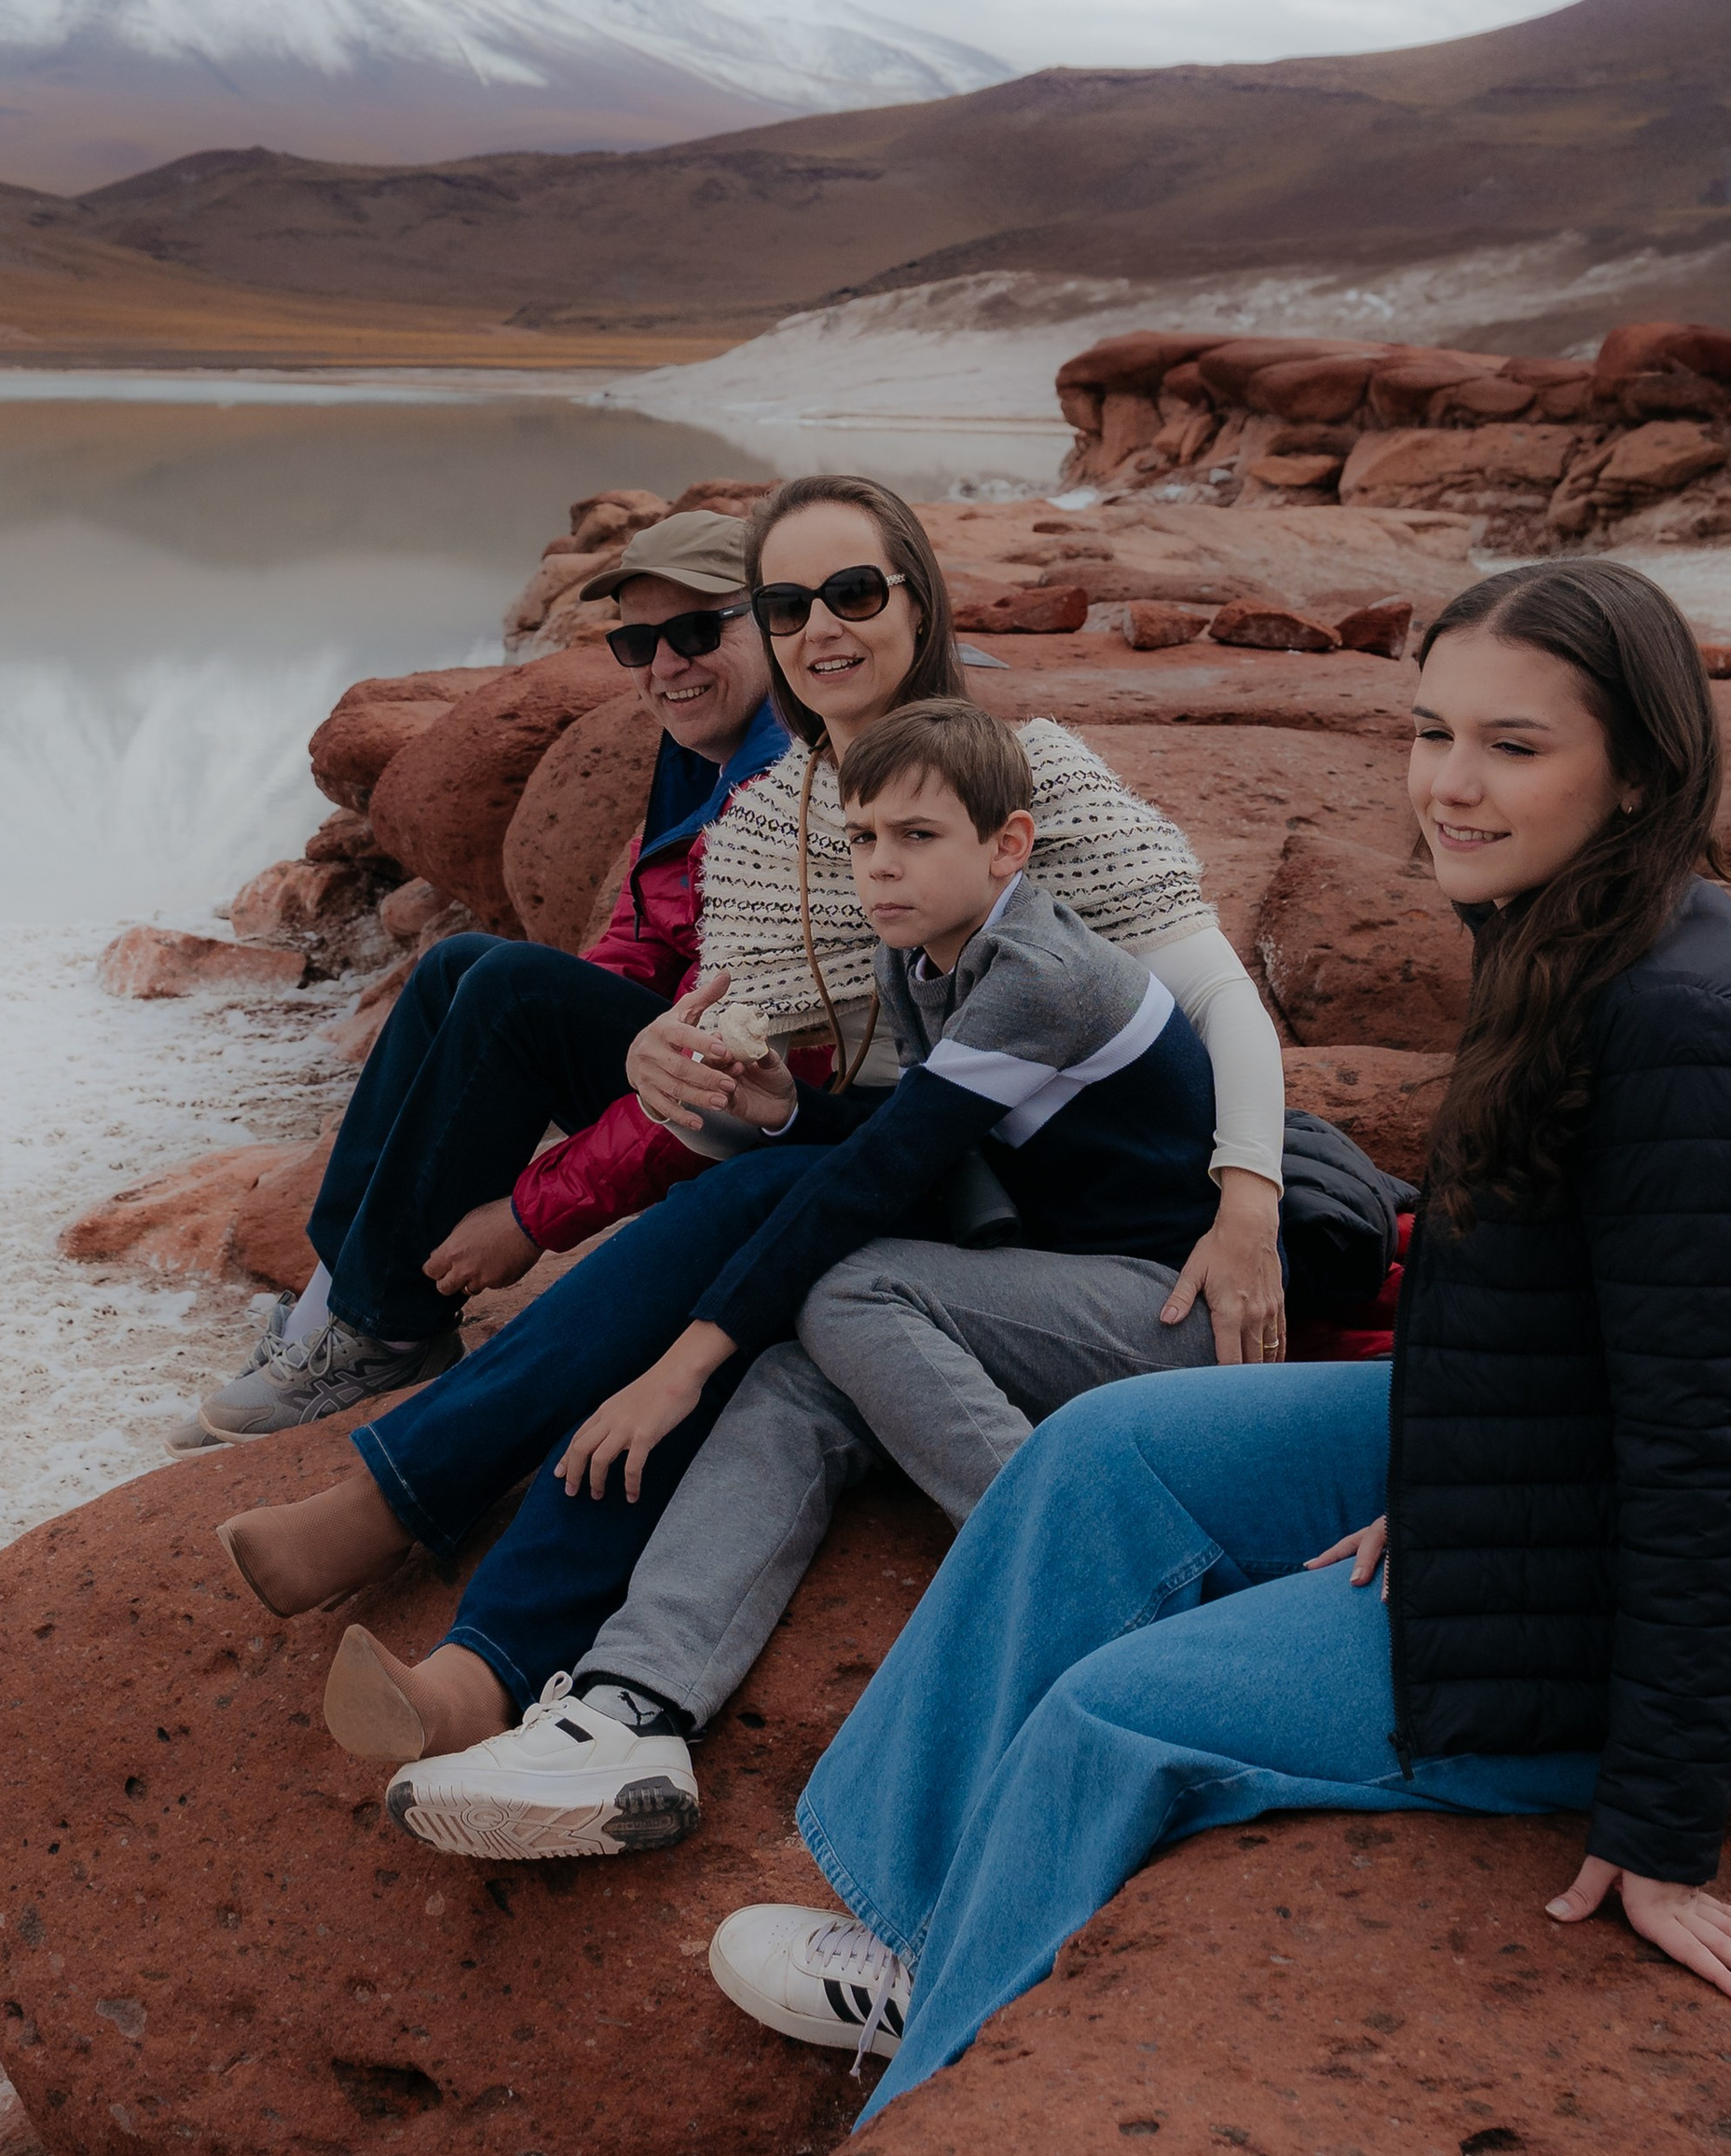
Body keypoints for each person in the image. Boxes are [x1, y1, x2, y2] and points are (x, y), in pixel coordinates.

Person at [683, 556, 1731, 2156]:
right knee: (1100, 1457)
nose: (1451, 785)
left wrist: (1663, 1826)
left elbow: (1708, 1450)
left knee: (1113, 1714)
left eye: (1514, 747)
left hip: (1690, 1625)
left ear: (1637, 767)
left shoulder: (1681, 1027)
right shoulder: (1572, 925)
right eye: (1431, 732)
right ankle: (917, 1929)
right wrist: (1442, 1467)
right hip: (1543, 1460)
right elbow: (1536, 1305)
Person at [214, 475, 1289, 1756]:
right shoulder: (766, 817)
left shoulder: (1022, 770)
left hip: (1031, 1176)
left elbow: (1220, 997)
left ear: (916, 597)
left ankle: (408, 1498)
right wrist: (729, 1103)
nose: (820, 627)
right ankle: (478, 1665)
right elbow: (780, 1096)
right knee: (736, 1204)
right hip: (893, 1148)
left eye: (852, 592)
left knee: (737, 1263)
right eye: (788, 604)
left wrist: (1249, 1200)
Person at [385, 697, 1232, 1856]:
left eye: (917, 837)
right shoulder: (924, 957)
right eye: (862, 839)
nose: (882, 868)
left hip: (1166, 1307)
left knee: (845, 1290)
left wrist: (679, 1369)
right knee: (795, 1370)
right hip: (1037, 1294)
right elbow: (916, 1134)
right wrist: (791, 1110)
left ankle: (1079, 1574)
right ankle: (630, 1712)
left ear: (1010, 845)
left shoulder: (1041, 972)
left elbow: (878, 1180)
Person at [198, 504, 784, 1487]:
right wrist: (518, 1041)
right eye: (637, 641)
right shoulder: (699, 753)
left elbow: (745, 1062)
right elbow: (640, 940)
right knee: (465, 969)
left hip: (759, 1112)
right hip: (687, 1064)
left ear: (773, 619)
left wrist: (529, 1213)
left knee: (505, 986)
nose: (663, 664)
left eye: (696, 631)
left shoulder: (785, 782)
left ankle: (381, 1333)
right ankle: (335, 1308)